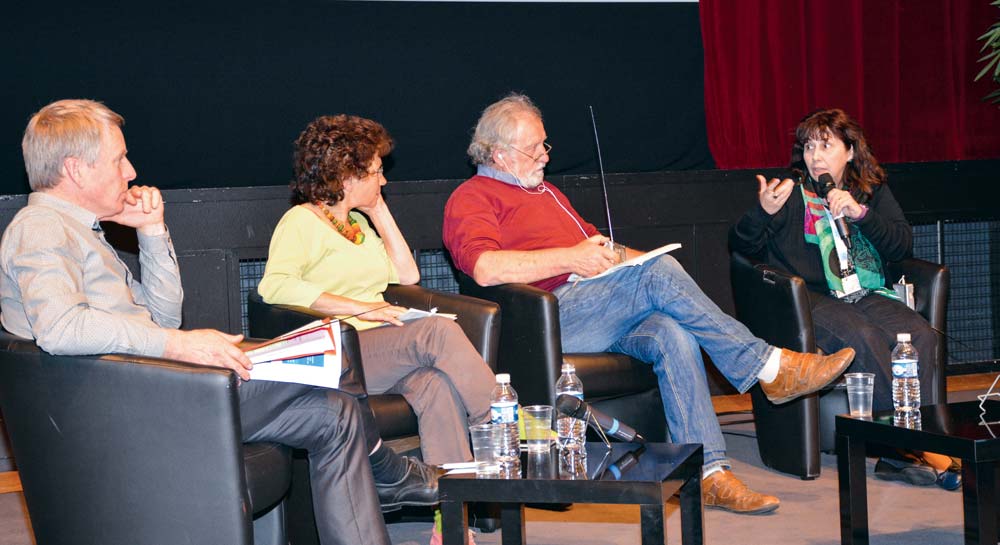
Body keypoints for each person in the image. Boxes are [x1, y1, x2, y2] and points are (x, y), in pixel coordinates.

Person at [0, 99, 439, 545]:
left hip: (154, 390)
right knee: (334, 355)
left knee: (336, 414)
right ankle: (386, 468)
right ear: (75, 170)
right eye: (118, 160)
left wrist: (151, 232)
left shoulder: (80, 229)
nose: (130, 171)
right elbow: (60, 329)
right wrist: (180, 347)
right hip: (138, 406)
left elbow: (164, 317)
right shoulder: (40, 228)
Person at [443, 93, 856, 515]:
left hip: (598, 305)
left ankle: (710, 472)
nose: (545, 156)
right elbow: (485, 268)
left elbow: (602, 247)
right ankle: (769, 367)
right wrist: (572, 258)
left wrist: (646, 259)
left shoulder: (547, 193)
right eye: (534, 148)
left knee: (671, 330)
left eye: (545, 144)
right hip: (544, 318)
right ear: (499, 154)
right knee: (657, 277)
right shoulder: (471, 198)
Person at [729, 108, 958, 489]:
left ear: (850, 151)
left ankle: (894, 453)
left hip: (865, 291)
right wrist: (762, 212)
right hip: (811, 299)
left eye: (825, 145)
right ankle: (924, 448)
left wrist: (861, 213)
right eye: (807, 147)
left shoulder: (869, 191)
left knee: (921, 336)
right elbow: (741, 246)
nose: (814, 156)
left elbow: (901, 244)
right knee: (864, 337)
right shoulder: (788, 194)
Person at [258, 114, 495, 465]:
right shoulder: (301, 221)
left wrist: (379, 209)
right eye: (376, 171)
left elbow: (407, 274)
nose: (383, 179)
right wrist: (360, 308)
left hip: (378, 345)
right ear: (348, 176)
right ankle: (504, 424)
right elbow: (275, 286)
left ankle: (451, 512)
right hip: (340, 350)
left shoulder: (358, 225)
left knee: (436, 386)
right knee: (438, 332)